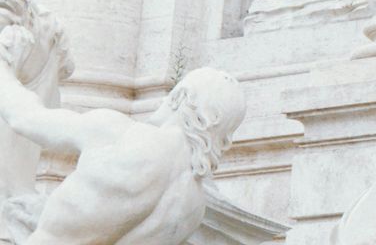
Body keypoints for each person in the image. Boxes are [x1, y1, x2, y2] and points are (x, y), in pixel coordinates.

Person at [0, 44, 245, 245]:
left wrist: (4, 64)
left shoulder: (119, 134)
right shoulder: (193, 206)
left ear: (179, 97)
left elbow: (25, 118)